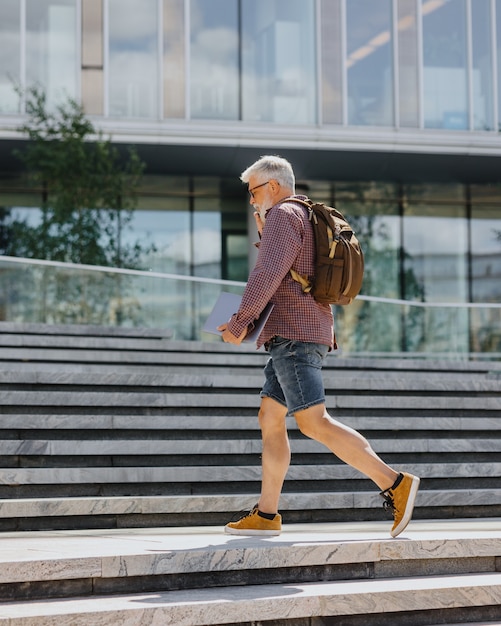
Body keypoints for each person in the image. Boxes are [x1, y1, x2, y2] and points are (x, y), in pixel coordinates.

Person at [217, 155, 419, 538]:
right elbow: (292, 270)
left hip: (293, 335)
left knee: (313, 421)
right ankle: (266, 514)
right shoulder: (305, 215)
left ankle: (395, 483)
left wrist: (240, 321)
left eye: (254, 191)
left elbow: (268, 274)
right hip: (300, 331)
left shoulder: (283, 215)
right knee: (270, 417)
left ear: (272, 187)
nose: (251, 200)